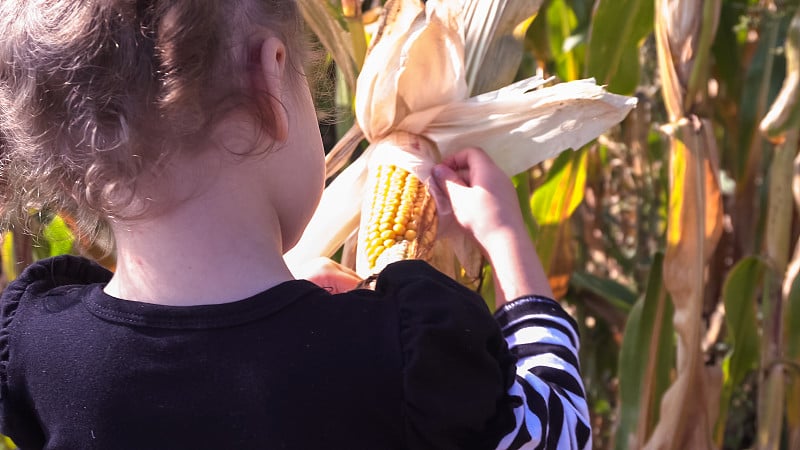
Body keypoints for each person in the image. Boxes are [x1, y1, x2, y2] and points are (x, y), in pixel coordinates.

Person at [0, 1, 590, 449]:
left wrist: (292, 310)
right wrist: (509, 245)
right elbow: (558, 429)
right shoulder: (403, 356)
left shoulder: (39, 351)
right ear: (270, 79)